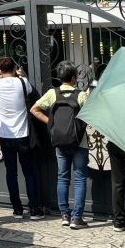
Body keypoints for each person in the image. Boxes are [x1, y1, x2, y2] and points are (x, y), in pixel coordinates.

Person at [30, 61, 89, 229]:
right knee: (80, 180)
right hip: (80, 142)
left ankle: (64, 215)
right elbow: (91, 115)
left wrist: (51, 125)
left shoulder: (52, 93)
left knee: (62, 178)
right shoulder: (81, 95)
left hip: (59, 142)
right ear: (73, 78)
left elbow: (34, 110)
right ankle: (77, 218)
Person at [0, 56, 42, 221]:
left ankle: (17, 210)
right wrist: (19, 74)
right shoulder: (22, 82)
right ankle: (34, 209)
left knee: (11, 173)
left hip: (5, 135)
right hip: (22, 134)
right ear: (14, 68)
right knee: (29, 172)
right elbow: (29, 91)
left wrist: (3, 74)